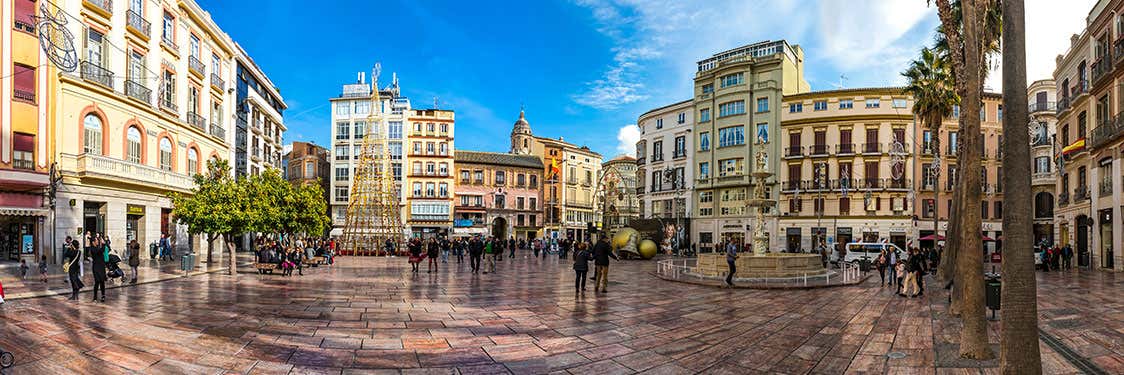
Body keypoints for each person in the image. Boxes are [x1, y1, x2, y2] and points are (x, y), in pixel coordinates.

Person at [89, 236, 107, 302]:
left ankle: (103, 296)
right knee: (97, 282)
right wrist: (103, 244)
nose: (97, 241)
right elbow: (100, 251)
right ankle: (95, 297)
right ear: (93, 242)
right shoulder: (92, 248)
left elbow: (102, 251)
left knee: (102, 282)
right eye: (96, 240)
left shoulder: (97, 247)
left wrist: (104, 244)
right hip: (96, 267)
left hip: (101, 267)